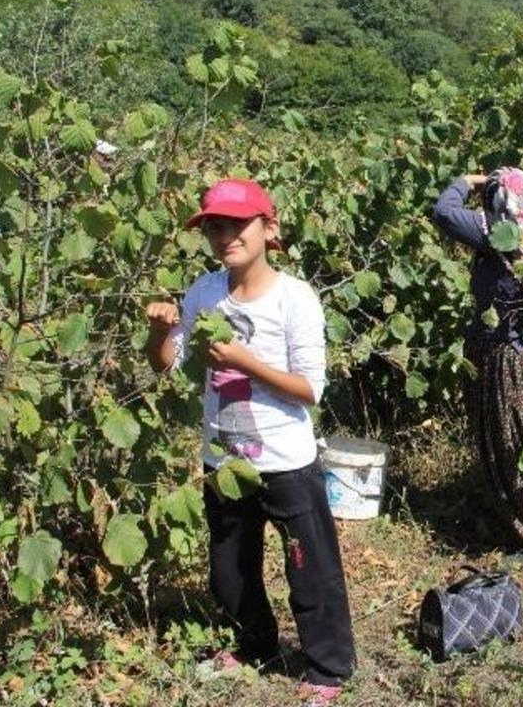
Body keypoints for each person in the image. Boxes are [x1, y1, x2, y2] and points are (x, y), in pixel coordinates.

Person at [145, 178, 354, 706]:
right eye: (215, 226)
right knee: (230, 569)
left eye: (238, 224)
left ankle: (328, 669)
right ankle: (253, 646)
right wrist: (158, 331)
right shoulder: (203, 292)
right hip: (223, 457)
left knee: (310, 567)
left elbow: (309, 390)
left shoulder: (294, 298)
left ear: (268, 227)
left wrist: (245, 363)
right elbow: (167, 366)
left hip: (286, 459)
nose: (225, 235)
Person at [431, 168, 523, 562]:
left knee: (509, 449)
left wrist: (467, 181)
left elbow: (444, 212)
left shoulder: (498, 230)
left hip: (505, 358)